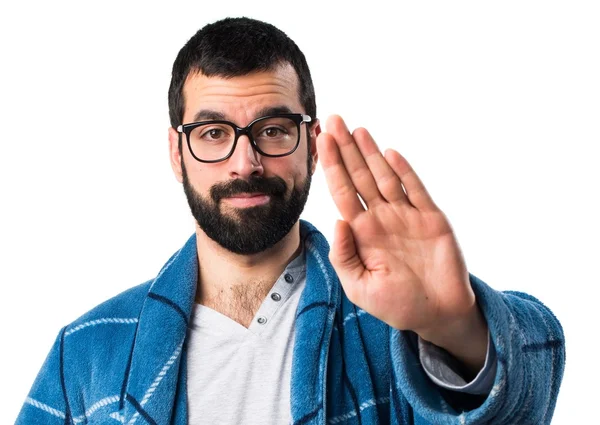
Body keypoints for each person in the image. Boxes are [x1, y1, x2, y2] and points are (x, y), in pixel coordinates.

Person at [16, 17, 565, 425]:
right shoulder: (85, 353)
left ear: (311, 140)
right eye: (212, 134)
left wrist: (456, 326)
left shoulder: (397, 325)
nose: (245, 162)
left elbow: (528, 389)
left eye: (273, 129)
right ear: (175, 153)